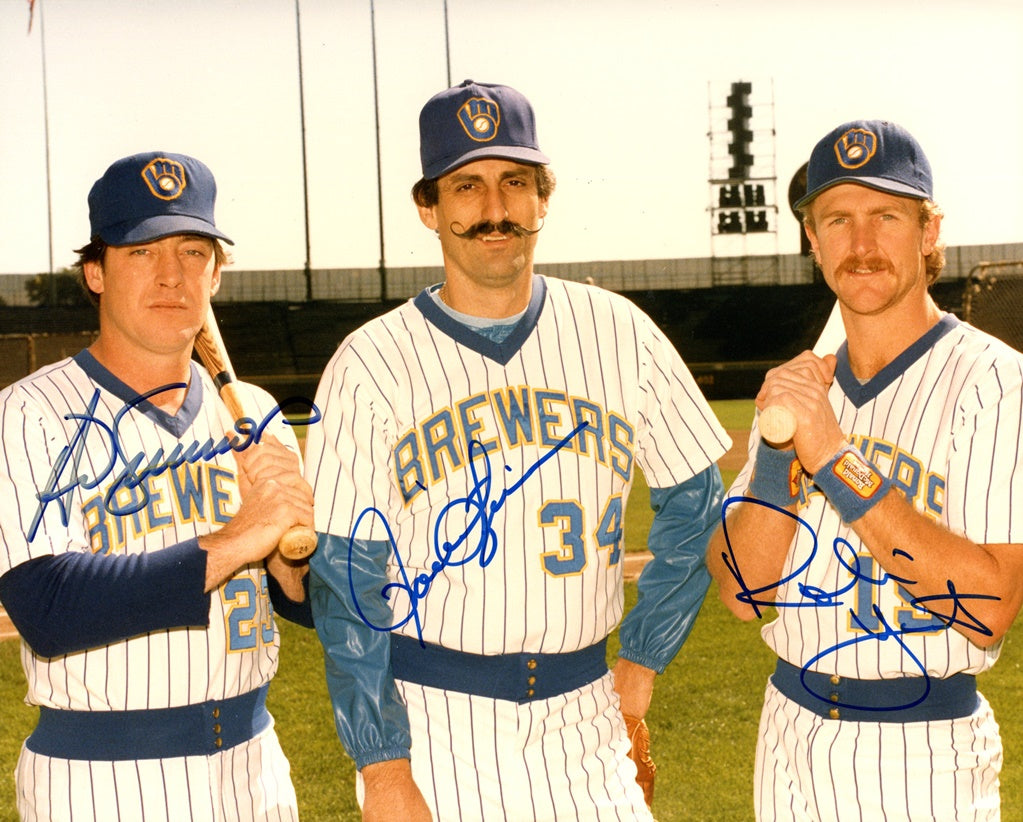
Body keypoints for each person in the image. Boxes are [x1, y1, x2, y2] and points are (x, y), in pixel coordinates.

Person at [305, 79, 731, 821]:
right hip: (435, 726)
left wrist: (639, 665)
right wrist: (381, 766)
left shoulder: (619, 332)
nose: (492, 209)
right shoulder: (369, 362)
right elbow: (346, 581)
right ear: (427, 207)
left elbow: (695, 505)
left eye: (514, 183)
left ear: (543, 199)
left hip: (586, 719)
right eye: (465, 186)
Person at [706, 119, 1023, 820]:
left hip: (919, 748)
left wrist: (833, 460)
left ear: (928, 231)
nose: (861, 244)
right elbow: (741, 593)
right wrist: (775, 466)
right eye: (837, 220)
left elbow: (987, 608)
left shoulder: (992, 382)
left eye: (885, 216)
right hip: (786, 728)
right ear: (812, 241)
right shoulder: (801, 389)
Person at [0, 151, 316, 821]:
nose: (171, 275)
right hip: (101, 781)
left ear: (217, 273)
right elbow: (47, 608)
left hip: (255, 769)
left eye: (193, 251)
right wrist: (237, 539)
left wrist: (294, 560)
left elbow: (309, 603)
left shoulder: (254, 414)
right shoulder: (31, 411)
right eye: (142, 251)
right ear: (96, 272)